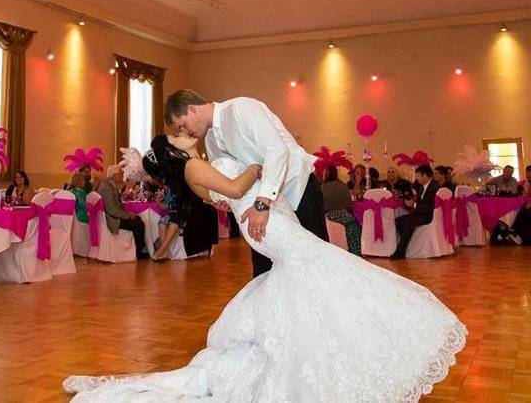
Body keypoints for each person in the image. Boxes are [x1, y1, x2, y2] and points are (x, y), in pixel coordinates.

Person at [64, 134, 467, 402]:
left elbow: (224, 198)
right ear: (176, 154)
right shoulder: (193, 168)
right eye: (178, 137)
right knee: (320, 266)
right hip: (267, 223)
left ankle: (315, 348)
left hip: (268, 219)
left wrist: (251, 191)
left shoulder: (197, 169)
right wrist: (259, 169)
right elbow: (237, 189)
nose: (186, 134)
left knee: (311, 276)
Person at [163, 89, 327, 278]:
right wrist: (224, 201)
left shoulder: (241, 108)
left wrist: (262, 203)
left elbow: (276, 150)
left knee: (315, 263)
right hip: (260, 209)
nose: (186, 132)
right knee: (265, 272)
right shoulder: (210, 142)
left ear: (192, 109)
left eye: (182, 125)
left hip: (296, 190)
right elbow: (233, 181)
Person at [142, 134, 219, 259]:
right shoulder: (190, 172)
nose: (184, 133)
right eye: (176, 137)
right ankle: (163, 249)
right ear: (171, 151)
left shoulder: (196, 164)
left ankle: (163, 249)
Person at [390, 165, 440, 260]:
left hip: (429, 216)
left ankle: (400, 251)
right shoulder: (422, 187)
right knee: (399, 220)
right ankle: (408, 244)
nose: (417, 178)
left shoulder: (434, 188)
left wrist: (414, 205)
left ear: (424, 175)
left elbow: (431, 208)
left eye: (418, 176)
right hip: (421, 213)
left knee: (409, 222)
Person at [97, 166, 146, 259]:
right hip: (111, 219)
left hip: (114, 216)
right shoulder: (107, 187)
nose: (123, 175)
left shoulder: (110, 185)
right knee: (138, 224)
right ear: (114, 175)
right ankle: (139, 252)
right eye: (121, 174)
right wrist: (128, 215)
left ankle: (139, 249)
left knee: (138, 219)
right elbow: (111, 209)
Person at [321, 165, 361, 255]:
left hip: (326, 217)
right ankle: (356, 253)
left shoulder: (321, 188)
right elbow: (348, 205)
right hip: (342, 216)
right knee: (355, 224)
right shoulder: (342, 186)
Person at [512, 165, 531, 245]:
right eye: (527, 173)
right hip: (527, 203)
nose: (527, 175)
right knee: (522, 210)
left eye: (529, 173)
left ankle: (517, 232)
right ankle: (519, 234)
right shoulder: (526, 183)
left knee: (525, 212)